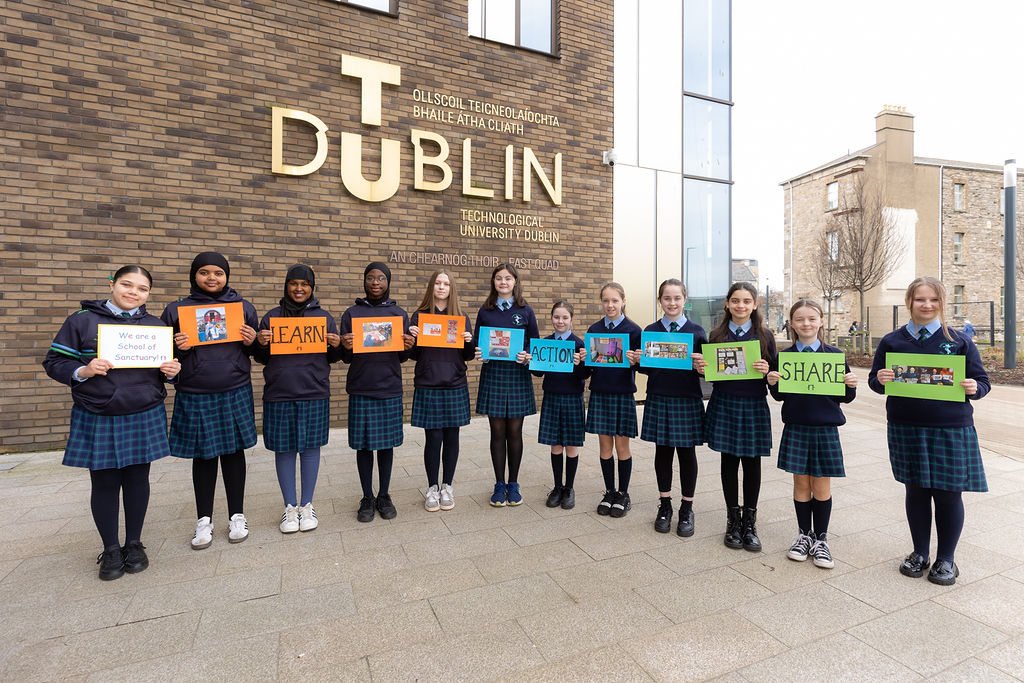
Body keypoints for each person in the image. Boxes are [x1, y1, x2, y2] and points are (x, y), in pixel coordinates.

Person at [44, 266, 181, 580]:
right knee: (104, 483)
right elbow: (54, 362)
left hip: (143, 410)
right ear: (112, 284)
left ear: (148, 293)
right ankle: (110, 548)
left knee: (137, 479)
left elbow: (161, 370)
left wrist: (172, 371)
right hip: (99, 413)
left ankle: (134, 544)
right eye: (127, 285)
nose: (133, 292)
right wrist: (85, 369)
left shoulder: (155, 326)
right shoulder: (81, 321)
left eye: (142, 289)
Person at [869, 276, 989, 585]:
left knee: (948, 494)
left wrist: (975, 387)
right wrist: (879, 379)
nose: (927, 304)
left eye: (933, 299)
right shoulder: (891, 342)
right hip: (905, 426)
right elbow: (874, 382)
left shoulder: (960, 341)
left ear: (942, 303)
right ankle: (919, 553)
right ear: (909, 302)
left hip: (950, 428)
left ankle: (946, 559)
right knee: (916, 490)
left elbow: (982, 381)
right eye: (920, 299)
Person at [162, 252, 259, 549]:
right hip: (196, 391)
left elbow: (258, 353)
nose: (212, 278)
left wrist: (252, 341)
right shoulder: (176, 310)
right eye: (204, 272)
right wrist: (179, 348)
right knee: (203, 457)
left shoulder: (243, 307)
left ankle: (236, 515)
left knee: (233, 454)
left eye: (218, 272)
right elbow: (163, 359)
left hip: (234, 387)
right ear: (194, 275)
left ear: (226, 275)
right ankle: (203, 519)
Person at [767, 299, 857, 569]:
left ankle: (822, 539)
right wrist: (773, 382)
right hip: (796, 426)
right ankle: (803, 535)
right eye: (799, 319)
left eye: (811, 318)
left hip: (825, 428)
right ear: (792, 323)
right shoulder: (784, 356)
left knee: (821, 485)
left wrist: (850, 385)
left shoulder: (835, 356)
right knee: (801, 484)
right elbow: (781, 395)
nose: (806, 324)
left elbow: (846, 397)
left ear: (820, 321)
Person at [254, 265, 343, 534]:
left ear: (312, 287)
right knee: (284, 449)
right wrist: (260, 342)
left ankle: (307, 504)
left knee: (311, 448)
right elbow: (260, 357)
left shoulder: (324, 319)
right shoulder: (271, 318)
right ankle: (289, 508)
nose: (299, 289)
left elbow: (333, 357)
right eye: (293, 283)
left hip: (313, 391)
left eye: (305, 284)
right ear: (286, 285)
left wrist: (336, 345)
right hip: (280, 392)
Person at [698, 282, 776, 551]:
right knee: (729, 462)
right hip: (725, 403)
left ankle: (750, 523)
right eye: (735, 300)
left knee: (752, 463)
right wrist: (701, 369)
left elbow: (775, 379)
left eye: (746, 301)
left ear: (754, 304)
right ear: (727, 304)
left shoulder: (765, 336)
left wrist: (768, 371)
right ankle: (732, 520)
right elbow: (710, 374)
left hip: (753, 403)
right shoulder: (716, 334)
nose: (740, 305)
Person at [340, 262, 413, 522]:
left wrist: (408, 345)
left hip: (389, 387)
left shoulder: (398, 314)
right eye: (370, 278)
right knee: (363, 446)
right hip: (361, 387)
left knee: (385, 447)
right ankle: (366, 497)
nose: (375, 282)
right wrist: (346, 346)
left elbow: (404, 357)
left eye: (381, 278)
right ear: (364, 281)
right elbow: (345, 357)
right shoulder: (351, 313)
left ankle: (384, 494)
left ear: (388, 281)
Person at [633, 279, 706, 536]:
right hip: (659, 396)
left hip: (686, 399)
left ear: (684, 299)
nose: (672, 303)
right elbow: (646, 367)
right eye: (667, 298)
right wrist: (637, 361)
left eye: (677, 298)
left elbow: (705, 372)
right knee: (662, 452)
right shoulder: (650, 331)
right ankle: (665, 505)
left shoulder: (697, 332)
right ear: (660, 300)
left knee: (687, 454)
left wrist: (701, 366)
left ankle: (687, 507)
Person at [408, 270, 475, 512]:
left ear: (451, 288)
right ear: (432, 286)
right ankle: (432, 487)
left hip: (454, 382)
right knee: (433, 438)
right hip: (428, 382)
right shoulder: (419, 316)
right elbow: (412, 355)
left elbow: (468, 355)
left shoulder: (461, 317)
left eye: (446, 283)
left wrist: (469, 340)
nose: (441, 287)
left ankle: (448, 485)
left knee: (452, 437)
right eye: (437, 282)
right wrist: (411, 339)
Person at [473, 263, 539, 507]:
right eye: (499, 278)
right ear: (494, 282)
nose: (503, 282)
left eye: (508, 278)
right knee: (497, 432)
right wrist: (481, 352)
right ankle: (499, 483)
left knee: (515, 432)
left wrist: (527, 355)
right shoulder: (486, 310)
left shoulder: (526, 311)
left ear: (515, 282)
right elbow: (477, 345)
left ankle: (514, 483)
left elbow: (534, 344)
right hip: (494, 374)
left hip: (517, 376)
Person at [585, 282, 642, 518]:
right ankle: (609, 492)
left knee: (622, 447)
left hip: (622, 394)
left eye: (615, 301)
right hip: (600, 393)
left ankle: (623, 494)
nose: (610, 305)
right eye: (606, 301)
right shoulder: (594, 329)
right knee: (605, 447)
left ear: (623, 302)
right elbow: (589, 367)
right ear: (602, 302)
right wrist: (583, 357)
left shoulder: (634, 330)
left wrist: (636, 360)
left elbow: (643, 364)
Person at [531, 299, 586, 510]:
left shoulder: (579, 344)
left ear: (571, 320)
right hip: (552, 397)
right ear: (551, 319)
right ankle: (557, 487)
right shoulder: (545, 342)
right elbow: (538, 372)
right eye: (556, 317)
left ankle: (569, 488)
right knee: (555, 444)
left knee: (571, 445)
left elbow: (586, 374)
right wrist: (530, 360)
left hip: (573, 398)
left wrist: (580, 363)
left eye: (564, 317)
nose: (560, 321)